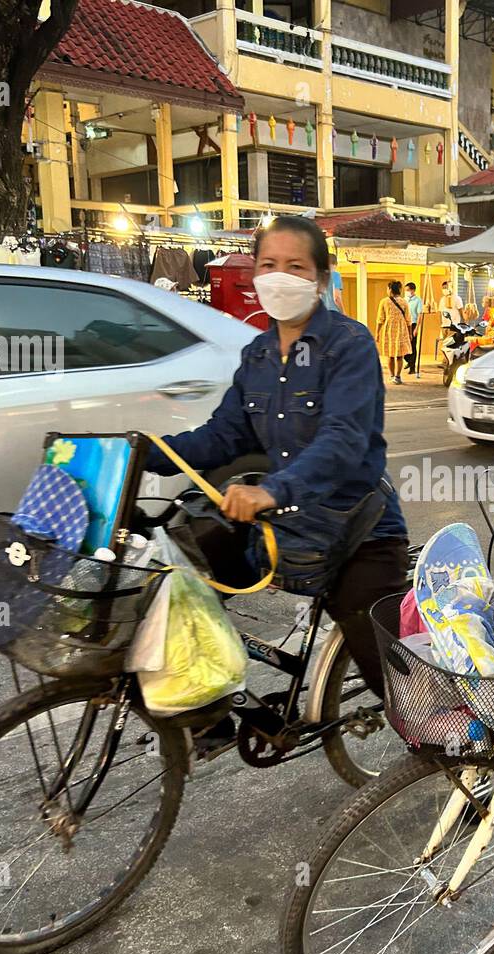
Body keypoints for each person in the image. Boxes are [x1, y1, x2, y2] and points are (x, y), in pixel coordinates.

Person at [143, 215, 408, 729]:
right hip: (286, 518)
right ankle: (211, 710)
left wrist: (271, 491)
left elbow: (343, 441)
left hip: (358, 525)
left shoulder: (349, 346)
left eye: (295, 266)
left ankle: (449, 753)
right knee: (185, 581)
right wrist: (143, 449)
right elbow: (222, 437)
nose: (279, 276)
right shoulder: (258, 354)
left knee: (386, 662)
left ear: (321, 278)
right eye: (269, 265)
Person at [376, 279, 412, 384]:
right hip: (402, 329)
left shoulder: (384, 302)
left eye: (388, 288)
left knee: (390, 354)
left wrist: (377, 333)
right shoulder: (404, 301)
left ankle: (392, 376)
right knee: (399, 355)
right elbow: (408, 319)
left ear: (390, 289)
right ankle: (397, 376)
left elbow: (380, 319)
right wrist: (409, 333)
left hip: (388, 330)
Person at [404, 281, 423, 374]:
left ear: (413, 290)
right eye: (405, 290)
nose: (406, 292)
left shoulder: (418, 300)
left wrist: (416, 328)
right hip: (404, 325)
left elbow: (420, 315)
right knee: (404, 345)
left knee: (412, 345)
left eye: (408, 290)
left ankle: (412, 367)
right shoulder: (404, 299)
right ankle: (408, 360)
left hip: (413, 324)